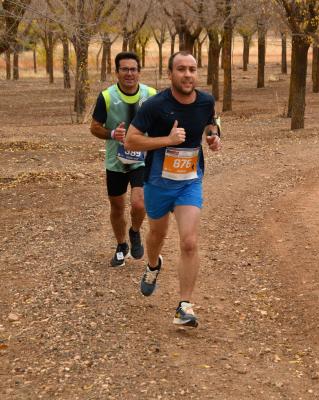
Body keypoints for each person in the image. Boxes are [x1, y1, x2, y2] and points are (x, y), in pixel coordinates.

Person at [124, 51, 222, 328]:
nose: (188, 74)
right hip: (157, 182)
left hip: (190, 182)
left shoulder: (205, 100)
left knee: (189, 241)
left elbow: (210, 125)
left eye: (192, 69)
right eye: (181, 69)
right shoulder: (154, 106)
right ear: (170, 74)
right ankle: (153, 265)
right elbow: (131, 141)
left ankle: (184, 306)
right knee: (157, 234)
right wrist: (166, 139)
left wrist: (213, 138)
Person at [90, 52, 156, 267]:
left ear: (139, 72)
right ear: (116, 72)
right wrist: (111, 134)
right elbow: (94, 127)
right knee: (117, 208)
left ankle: (134, 231)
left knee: (139, 203)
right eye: (125, 69)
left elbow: (161, 123)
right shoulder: (107, 96)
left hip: (142, 159)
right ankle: (121, 245)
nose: (129, 73)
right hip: (115, 161)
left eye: (133, 69)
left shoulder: (151, 95)